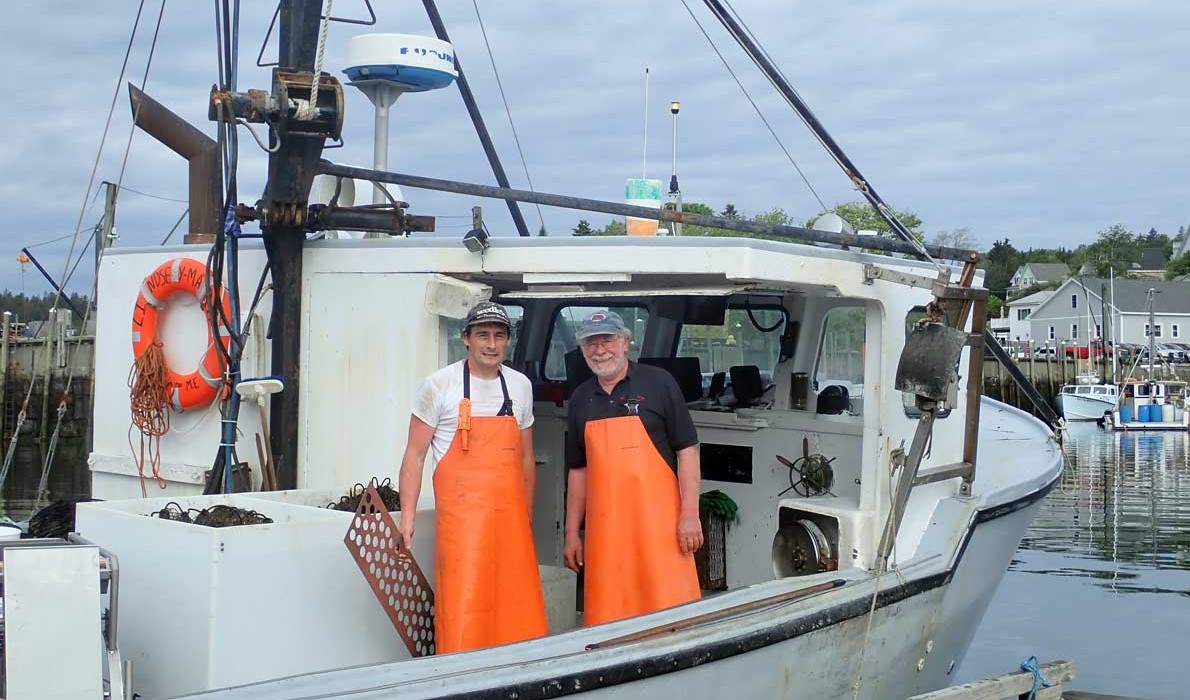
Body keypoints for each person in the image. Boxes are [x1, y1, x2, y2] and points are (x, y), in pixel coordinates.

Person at [398, 301, 546, 653]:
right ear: (466, 338)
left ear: (508, 341)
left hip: (510, 523)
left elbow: (526, 457)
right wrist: (407, 516)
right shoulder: (439, 385)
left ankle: (520, 671)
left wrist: (526, 515)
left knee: (516, 606)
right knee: (463, 606)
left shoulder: (521, 386)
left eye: (499, 336)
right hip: (461, 524)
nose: (491, 344)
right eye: (482, 335)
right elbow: (414, 455)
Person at [563, 310, 703, 626]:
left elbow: (687, 450)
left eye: (608, 340)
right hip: (606, 534)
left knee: (671, 616)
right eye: (591, 343)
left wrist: (690, 514)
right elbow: (578, 471)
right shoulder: (580, 399)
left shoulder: (659, 382)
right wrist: (572, 533)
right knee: (610, 619)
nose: (600, 350)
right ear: (582, 350)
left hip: (662, 529)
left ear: (626, 342)